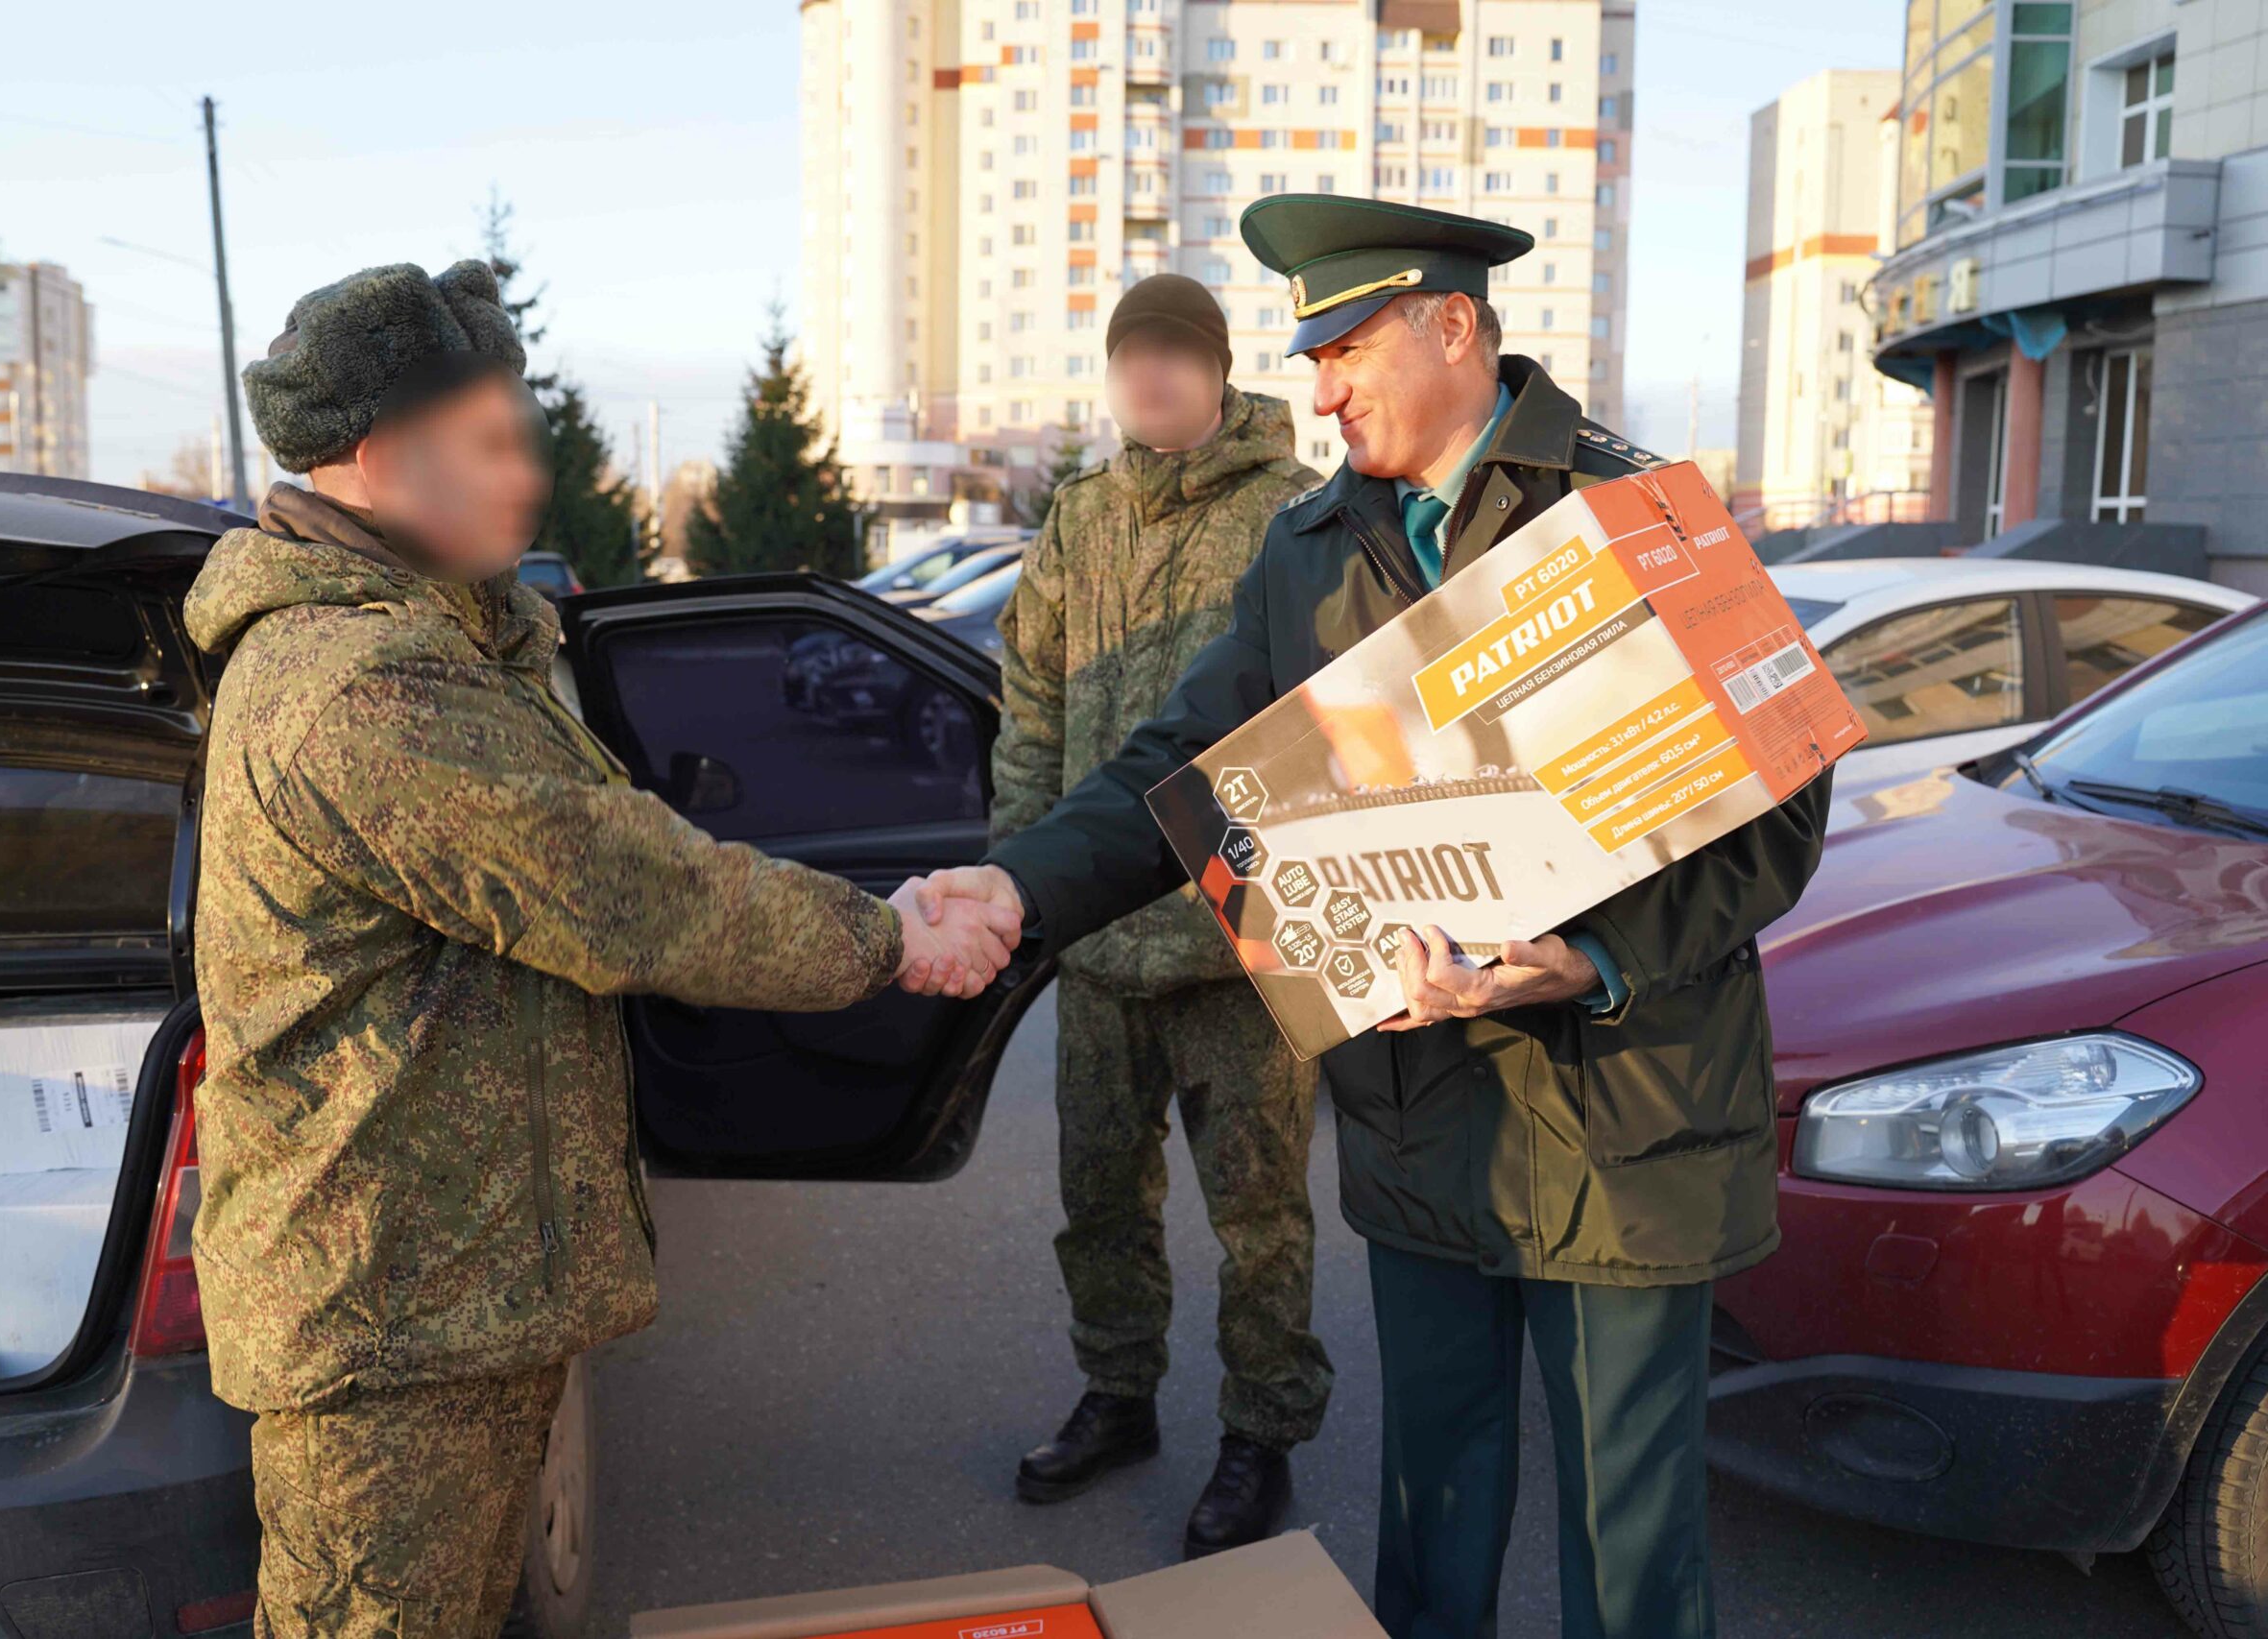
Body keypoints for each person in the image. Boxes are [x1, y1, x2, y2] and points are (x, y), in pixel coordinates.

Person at [907, 199, 1831, 1639]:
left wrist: (1589, 963)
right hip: (1425, 1116)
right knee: (1434, 1520)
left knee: (1630, 1552)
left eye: (1342, 349)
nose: (1318, 388)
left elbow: (1782, 819)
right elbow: (1186, 769)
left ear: (1452, 327)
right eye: (1308, 353)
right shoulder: (1310, 545)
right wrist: (1024, 882)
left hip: (1627, 1123)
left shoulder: (1643, 514)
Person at [185, 259, 1017, 1639]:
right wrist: (886, 937)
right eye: (496, 447)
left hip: (441, 1293)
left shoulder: (439, 641)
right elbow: (628, 890)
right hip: (389, 1323)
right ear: (383, 458)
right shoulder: (361, 684)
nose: (528, 482)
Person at [993, 274, 1332, 1558]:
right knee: (1100, 1199)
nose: (1150, 379)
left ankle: (1262, 1433)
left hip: (1237, 943)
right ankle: (1119, 1396)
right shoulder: (1080, 517)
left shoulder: (1293, 516)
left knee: (1259, 1214)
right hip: (1099, 945)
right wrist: (1018, 883)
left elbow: (1334, 727)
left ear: (1220, 369)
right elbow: (1028, 706)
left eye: (1173, 357)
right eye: (1132, 356)